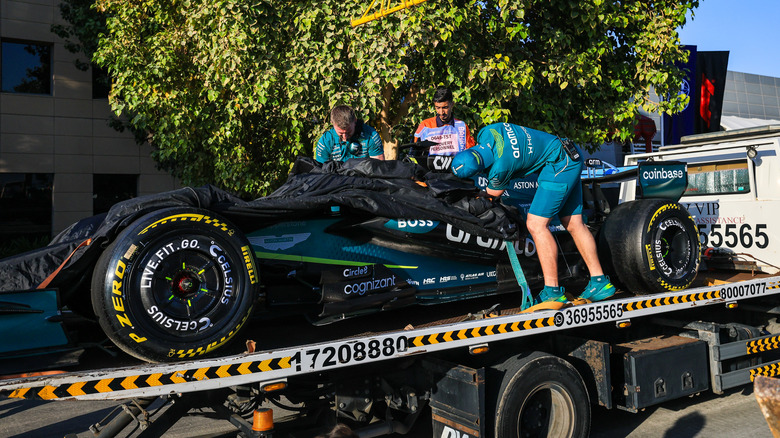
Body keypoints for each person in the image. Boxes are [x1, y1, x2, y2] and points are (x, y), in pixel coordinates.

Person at [451, 122, 615, 304]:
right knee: (574, 223)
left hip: (559, 164)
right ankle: (600, 282)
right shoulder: (487, 131)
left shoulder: (501, 167)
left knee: (536, 224)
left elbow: (490, 197)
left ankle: (552, 291)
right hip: (570, 152)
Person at [414, 86, 475, 155]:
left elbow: (469, 153)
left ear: (452, 105)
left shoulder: (462, 126)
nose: (441, 112)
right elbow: (415, 152)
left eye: (445, 108)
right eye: (438, 108)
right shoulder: (425, 125)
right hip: (429, 165)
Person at [315, 105, 385, 163]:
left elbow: (378, 168)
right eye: (341, 133)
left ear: (355, 121)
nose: (345, 137)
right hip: (337, 178)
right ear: (332, 123)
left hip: (364, 178)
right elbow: (321, 171)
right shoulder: (325, 141)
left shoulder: (371, 135)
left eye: (348, 132)